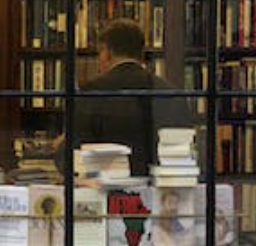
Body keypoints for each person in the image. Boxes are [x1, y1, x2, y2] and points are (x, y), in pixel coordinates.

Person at [56, 19, 193, 176]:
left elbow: (73, 158)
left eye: (99, 53)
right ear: (141, 52)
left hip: (106, 191)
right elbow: (183, 153)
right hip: (160, 189)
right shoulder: (170, 93)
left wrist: (61, 146)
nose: (99, 60)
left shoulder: (92, 91)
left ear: (107, 52)